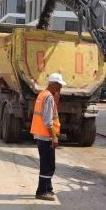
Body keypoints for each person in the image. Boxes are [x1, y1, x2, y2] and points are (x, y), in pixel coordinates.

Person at [30, 72, 65, 201]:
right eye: (59, 85)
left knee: (48, 164)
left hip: (41, 135)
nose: (60, 88)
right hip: (46, 136)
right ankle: (42, 191)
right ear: (54, 84)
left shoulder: (42, 94)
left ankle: (48, 188)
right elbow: (47, 120)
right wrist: (54, 137)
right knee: (47, 165)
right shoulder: (48, 97)